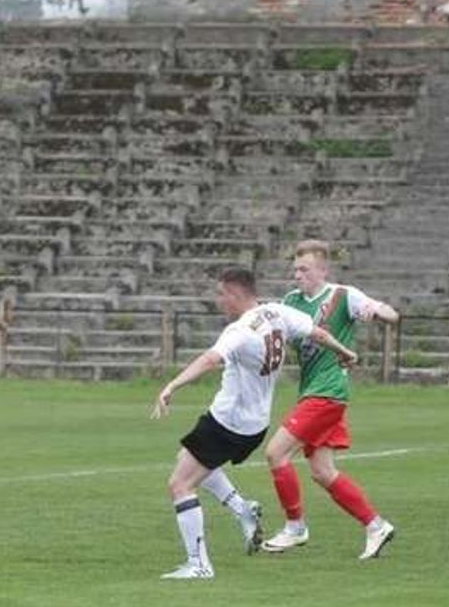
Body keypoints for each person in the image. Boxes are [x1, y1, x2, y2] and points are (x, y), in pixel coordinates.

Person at [151, 267, 358, 580]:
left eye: (221, 294)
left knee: (180, 485)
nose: (219, 301)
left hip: (228, 422)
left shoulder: (239, 330)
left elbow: (209, 360)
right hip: (255, 426)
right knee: (192, 460)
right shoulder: (276, 312)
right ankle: (242, 510)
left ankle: (199, 564)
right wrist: (345, 352)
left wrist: (172, 386)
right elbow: (317, 332)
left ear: (235, 294)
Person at [262, 240, 399, 560]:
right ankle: (376, 526)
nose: (298, 275)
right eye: (295, 269)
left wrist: (377, 311)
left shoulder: (343, 295)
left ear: (323, 270)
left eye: (305, 269)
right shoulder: (291, 301)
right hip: (312, 391)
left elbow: (391, 314)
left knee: (275, 453)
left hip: (328, 392)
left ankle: (295, 528)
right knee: (322, 471)